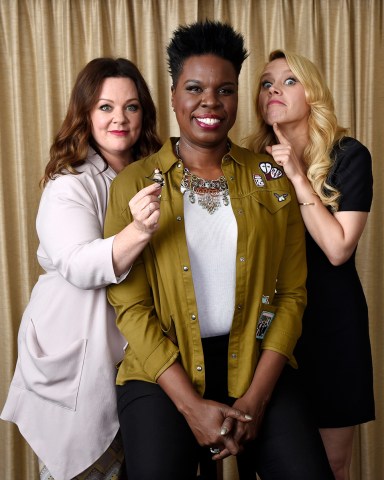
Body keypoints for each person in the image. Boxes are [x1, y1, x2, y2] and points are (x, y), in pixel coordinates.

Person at [104, 21, 334, 480]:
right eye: (194, 88)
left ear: (235, 97)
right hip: (162, 372)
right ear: (173, 97)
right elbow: (129, 305)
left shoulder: (271, 180)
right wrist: (190, 407)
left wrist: (255, 399)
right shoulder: (134, 182)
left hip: (256, 362)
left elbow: (292, 295)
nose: (210, 101)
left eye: (224, 89)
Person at [0, 57, 162, 480]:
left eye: (131, 107)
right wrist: (140, 229)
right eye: (105, 107)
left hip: (140, 357)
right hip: (76, 351)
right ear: (86, 113)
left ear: (144, 113)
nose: (119, 119)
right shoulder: (68, 183)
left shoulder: (156, 172)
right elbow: (78, 262)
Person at [247, 49, 375, 480]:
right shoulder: (248, 162)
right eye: (267, 83)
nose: (274, 91)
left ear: (313, 93)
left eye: (288, 81)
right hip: (267, 331)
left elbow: (338, 249)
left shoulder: (350, 156)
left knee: (333, 466)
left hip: (332, 328)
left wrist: (299, 176)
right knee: (275, 464)